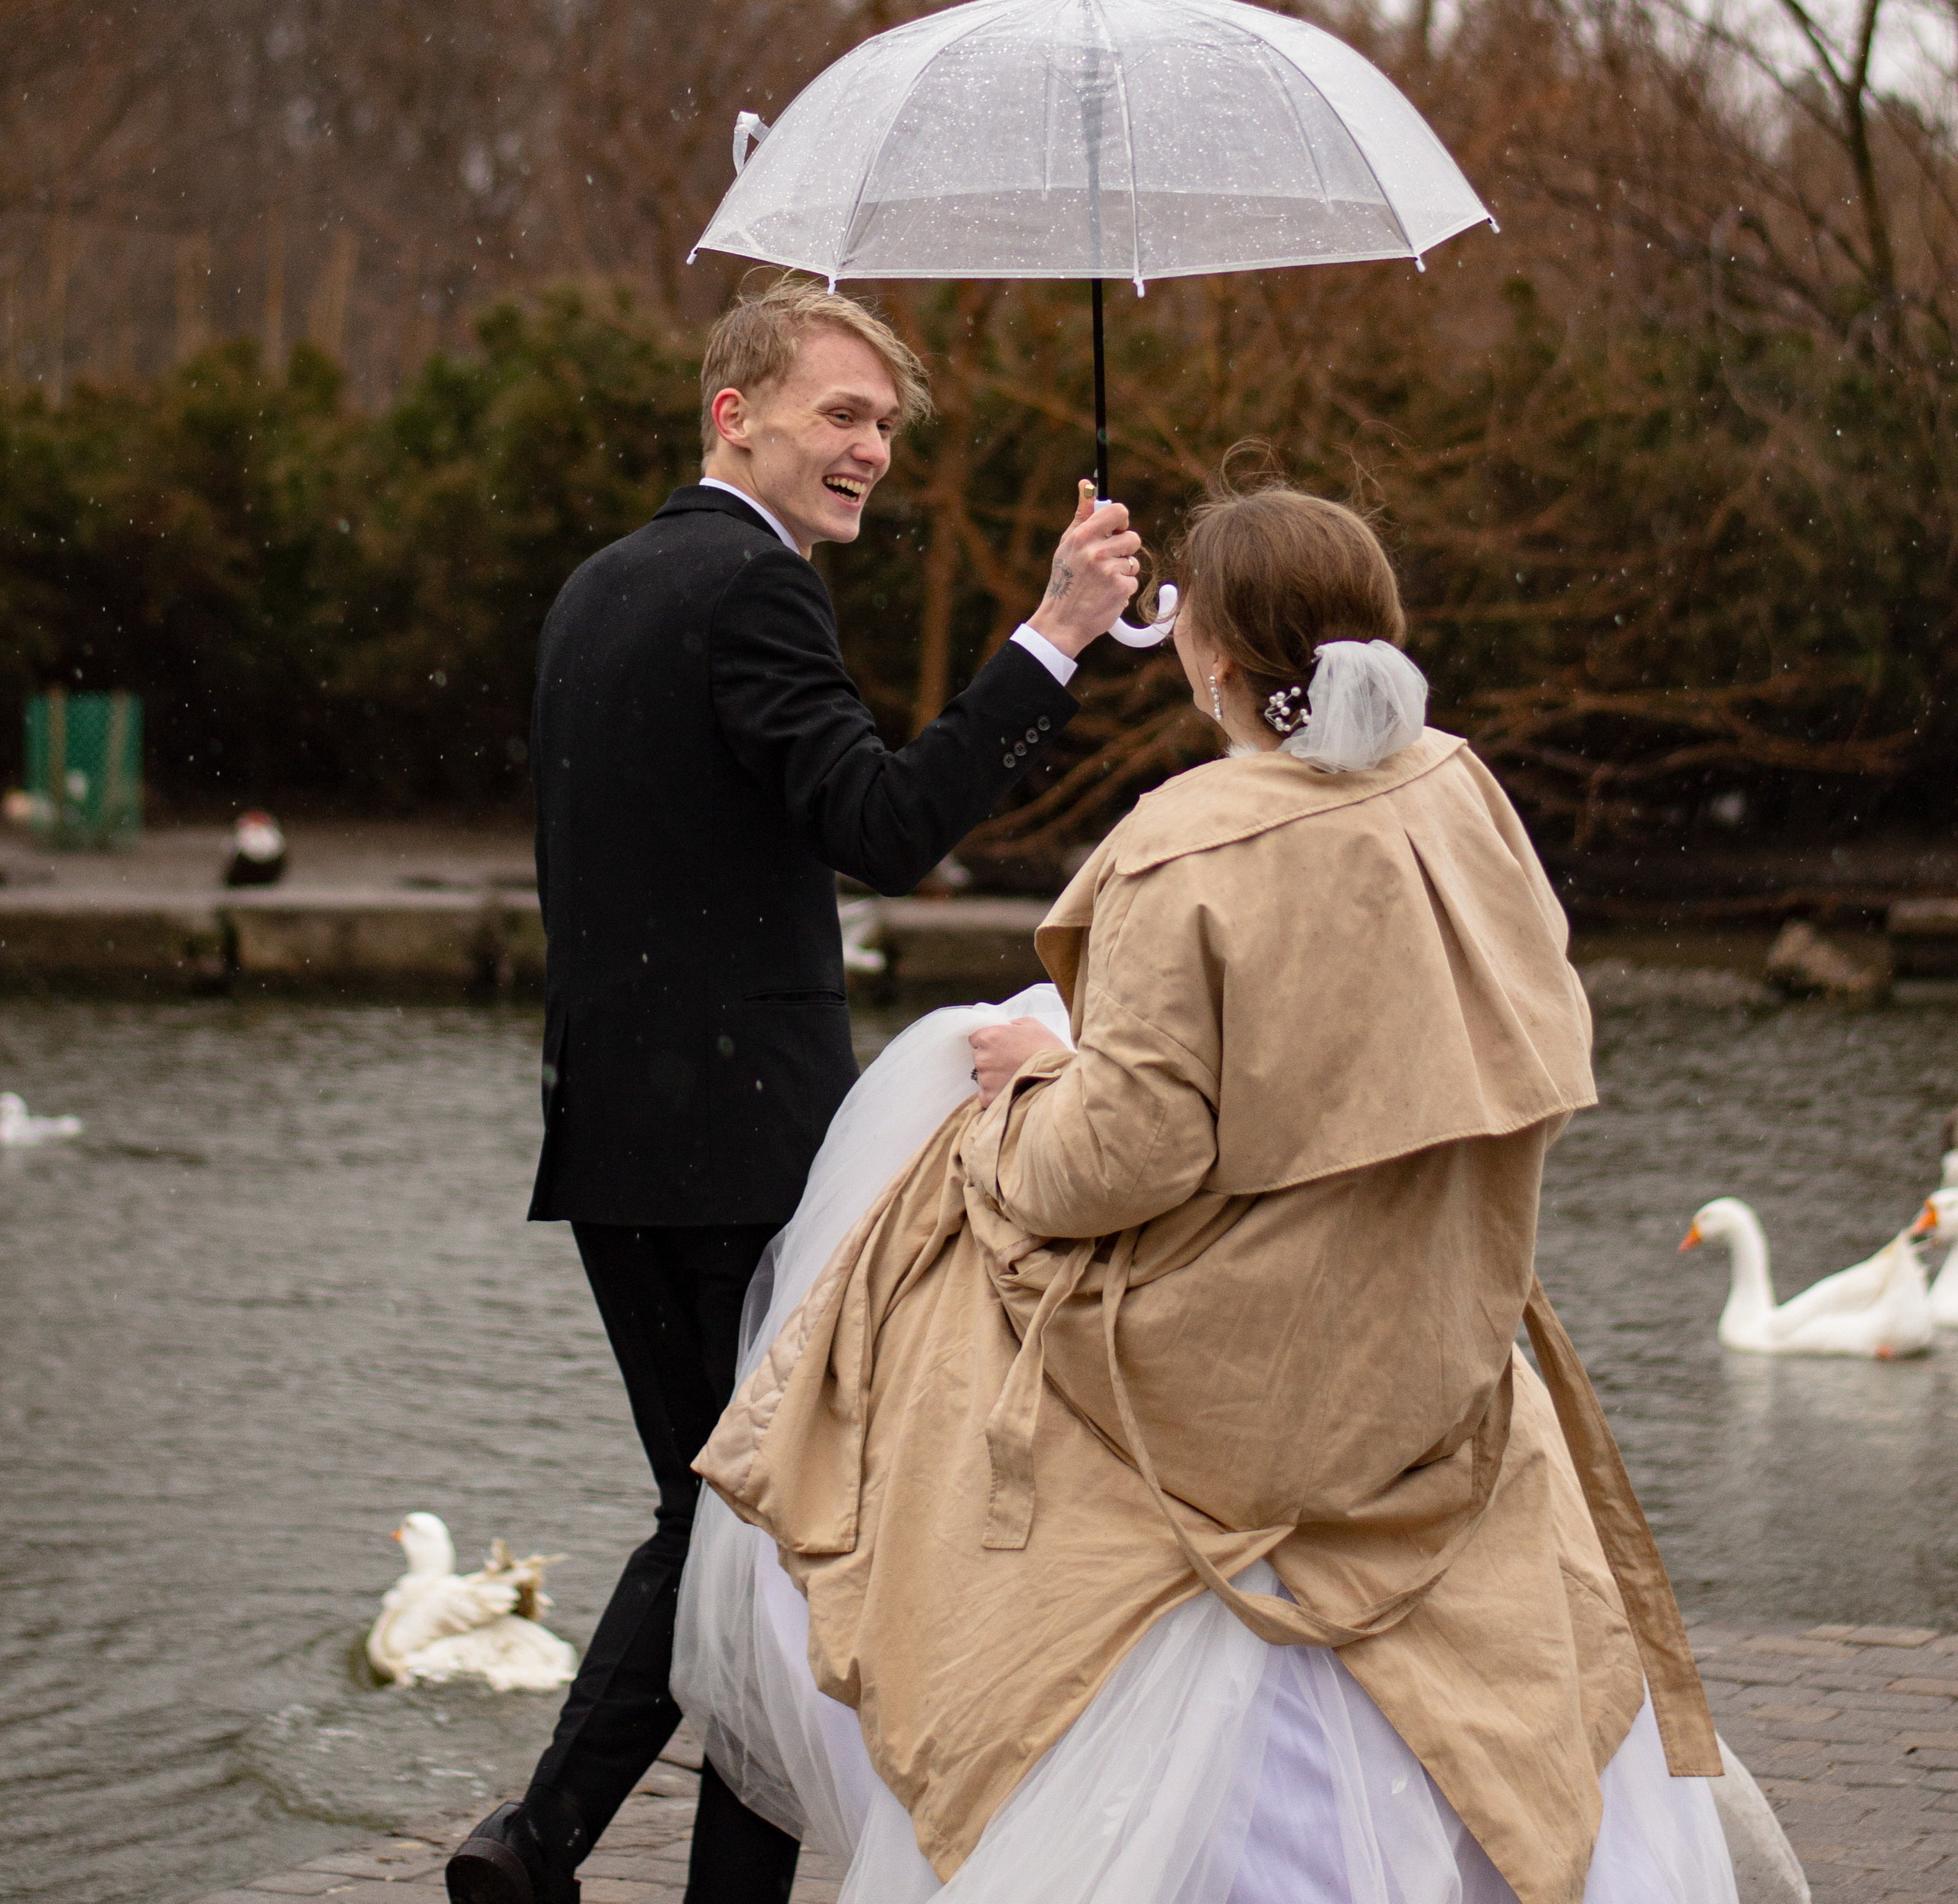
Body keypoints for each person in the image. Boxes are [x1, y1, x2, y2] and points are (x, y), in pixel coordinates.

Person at [675, 476, 1781, 1904]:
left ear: (1205, 648)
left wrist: (1017, 1102)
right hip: (1427, 1334)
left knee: (894, 1319)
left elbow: (1115, 1163)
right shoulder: (1461, 789)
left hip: (1237, 1371)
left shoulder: (1180, 843)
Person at [446, 277, 1143, 1904]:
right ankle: (561, 1845)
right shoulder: (752, 591)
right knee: (775, 1525)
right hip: (742, 1143)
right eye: (841, 415)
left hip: (610, 1136)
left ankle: (536, 1841)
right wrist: (1050, 637)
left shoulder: (597, 589)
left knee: (723, 1519)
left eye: (887, 426)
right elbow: (885, 823)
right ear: (733, 414)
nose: (872, 451)